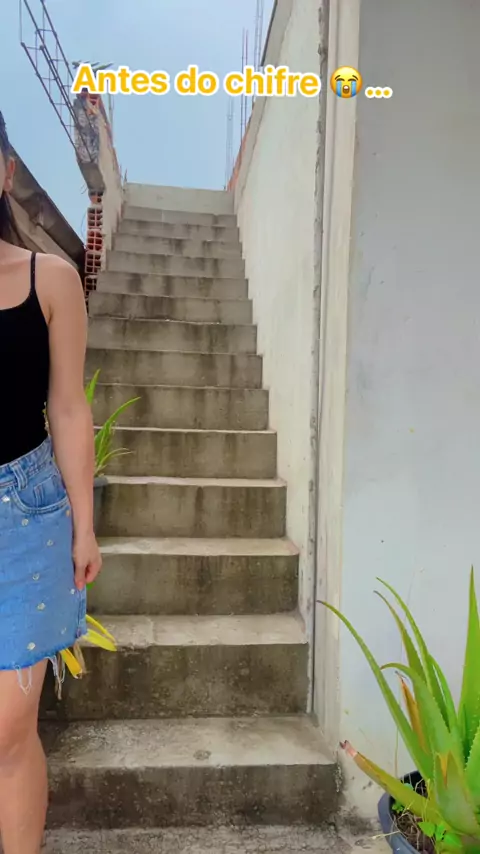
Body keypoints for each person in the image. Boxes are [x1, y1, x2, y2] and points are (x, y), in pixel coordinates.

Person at [0, 110, 103, 854]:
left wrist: (83, 525)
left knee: (9, 727)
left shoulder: (52, 279)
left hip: (25, 512)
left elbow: (68, 406)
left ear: (5, 170)